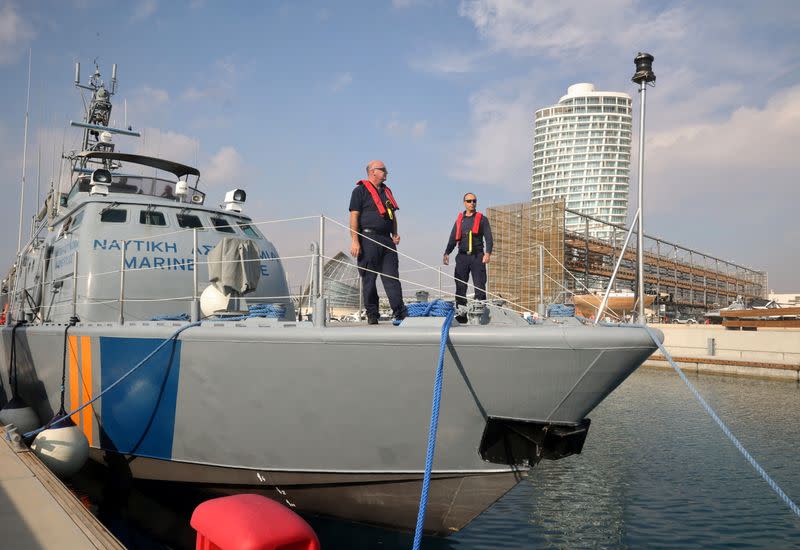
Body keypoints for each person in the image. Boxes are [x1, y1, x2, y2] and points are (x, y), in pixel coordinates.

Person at [349, 160, 407, 325]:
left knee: (392, 277)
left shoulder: (387, 192)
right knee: (369, 279)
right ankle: (372, 314)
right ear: (373, 171)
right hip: (368, 238)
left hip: (387, 241)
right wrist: (355, 241)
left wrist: (394, 232)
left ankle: (399, 313)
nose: (386, 172)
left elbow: (392, 215)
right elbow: (354, 216)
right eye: (383, 170)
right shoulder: (359, 191)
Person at [443, 193, 493, 322]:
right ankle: (462, 314)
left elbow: (488, 237)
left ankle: (481, 314)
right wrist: (447, 252)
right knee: (460, 286)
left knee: (479, 285)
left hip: (477, 256)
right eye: (469, 201)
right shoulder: (460, 220)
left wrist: (488, 253)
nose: (472, 203)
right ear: (464, 203)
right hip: (462, 257)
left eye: (474, 201)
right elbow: (453, 238)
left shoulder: (482, 219)